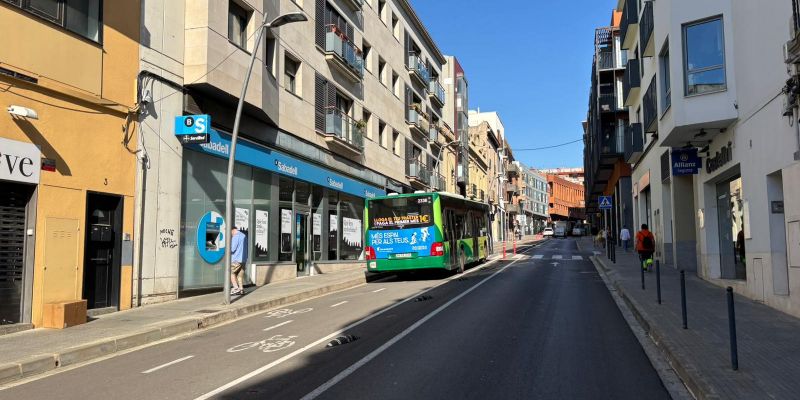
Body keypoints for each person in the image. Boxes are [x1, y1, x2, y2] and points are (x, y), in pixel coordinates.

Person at [230, 226, 248, 295]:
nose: (231, 234)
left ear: (233, 230)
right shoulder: (244, 235)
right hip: (243, 259)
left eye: (231, 232)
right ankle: (241, 289)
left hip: (236, 259)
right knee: (239, 276)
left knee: (231, 273)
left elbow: (232, 249)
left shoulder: (236, 236)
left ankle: (236, 288)